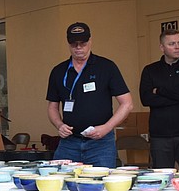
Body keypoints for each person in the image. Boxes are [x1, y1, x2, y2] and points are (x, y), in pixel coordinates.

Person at [46, 22, 133, 168]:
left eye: (83, 43)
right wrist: (59, 125)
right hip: (69, 142)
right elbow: (52, 107)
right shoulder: (59, 71)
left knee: (102, 184)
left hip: (101, 143)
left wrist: (106, 128)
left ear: (90, 41)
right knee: (60, 182)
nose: (79, 47)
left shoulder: (106, 67)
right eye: (74, 44)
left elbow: (127, 103)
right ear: (68, 43)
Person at [138, 28, 179, 169]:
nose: (177, 47)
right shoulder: (150, 70)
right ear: (162, 47)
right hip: (160, 136)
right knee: (161, 180)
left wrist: (159, 91)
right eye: (172, 44)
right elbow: (146, 99)